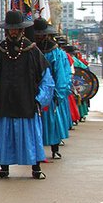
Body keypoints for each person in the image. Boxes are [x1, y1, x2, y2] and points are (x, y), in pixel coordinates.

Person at [0, 10, 55, 180]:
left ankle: (36, 168)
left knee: (31, 136)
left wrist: (40, 100)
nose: (13, 32)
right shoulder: (0, 51)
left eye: (16, 29)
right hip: (5, 100)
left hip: (27, 100)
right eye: (10, 29)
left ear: (21, 30)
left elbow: (47, 79)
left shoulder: (32, 51)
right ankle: (4, 168)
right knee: (5, 134)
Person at [33, 19, 70, 160]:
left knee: (52, 121)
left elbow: (61, 74)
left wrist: (58, 93)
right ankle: (36, 150)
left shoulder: (56, 53)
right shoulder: (31, 49)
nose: (38, 36)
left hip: (50, 90)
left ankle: (55, 148)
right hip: (34, 90)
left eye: (41, 34)